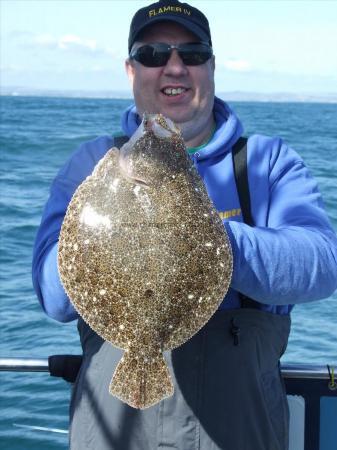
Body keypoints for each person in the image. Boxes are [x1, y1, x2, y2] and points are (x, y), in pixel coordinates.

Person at [32, 1, 337, 449]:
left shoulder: (267, 163)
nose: (173, 67)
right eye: (153, 54)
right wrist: (117, 242)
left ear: (211, 66)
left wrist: (205, 243)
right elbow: (54, 299)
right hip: (115, 434)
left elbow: (323, 264)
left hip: (236, 432)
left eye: (191, 54)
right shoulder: (90, 164)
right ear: (131, 70)